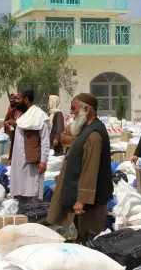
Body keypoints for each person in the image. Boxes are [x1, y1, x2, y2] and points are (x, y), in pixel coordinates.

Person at [47, 93, 113, 242]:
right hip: (83, 196)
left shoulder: (94, 134)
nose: (72, 112)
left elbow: (90, 169)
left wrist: (82, 200)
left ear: (86, 110)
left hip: (91, 200)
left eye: (74, 108)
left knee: (91, 234)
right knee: (82, 234)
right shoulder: (85, 129)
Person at [10, 89, 51, 207]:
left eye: (18, 98)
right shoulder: (22, 115)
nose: (16, 101)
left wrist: (44, 161)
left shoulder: (39, 116)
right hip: (18, 160)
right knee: (19, 188)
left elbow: (45, 140)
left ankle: (32, 213)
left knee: (31, 188)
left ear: (26, 99)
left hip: (32, 161)